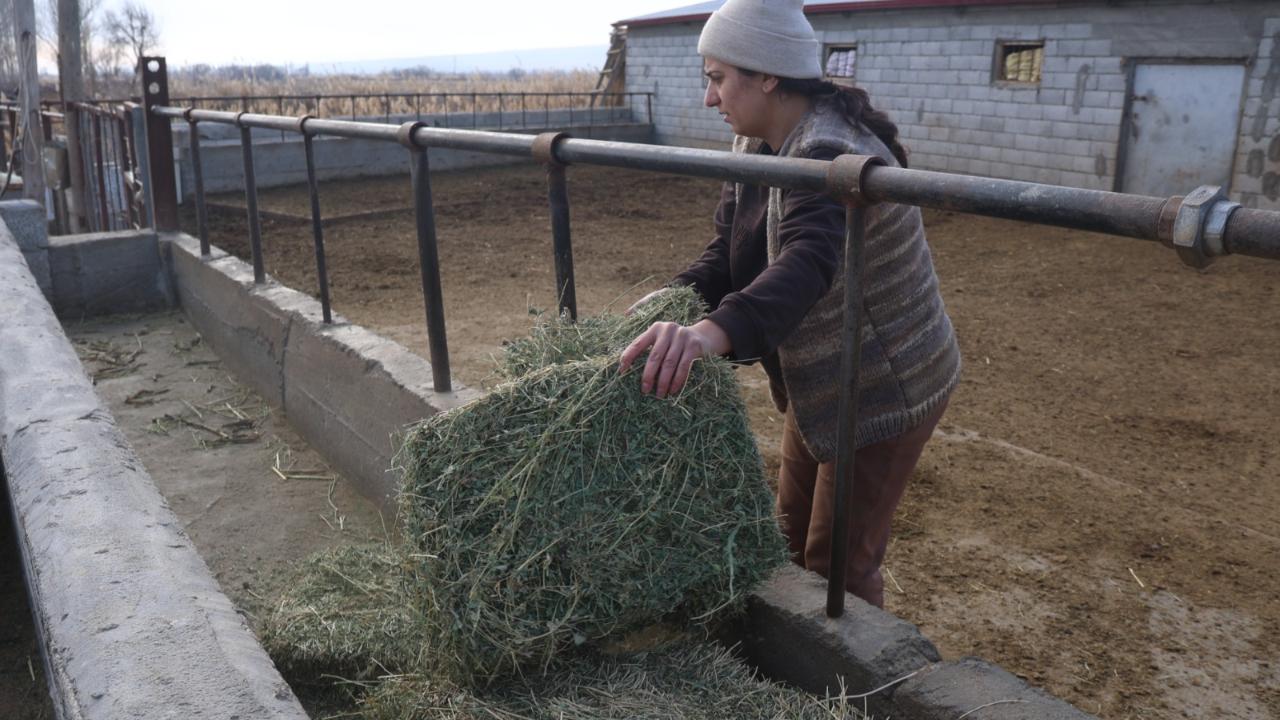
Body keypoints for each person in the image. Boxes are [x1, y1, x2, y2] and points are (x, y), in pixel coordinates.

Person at [617, 0, 961, 609]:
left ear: (767, 75)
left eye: (717, 78)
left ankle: (849, 697)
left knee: (838, 566)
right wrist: (672, 300)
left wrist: (706, 336)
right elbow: (729, 250)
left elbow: (806, 263)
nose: (709, 98)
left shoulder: (829, 151)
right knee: (786, 534)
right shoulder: (757, 144)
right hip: (822, 376)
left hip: (884, 382)